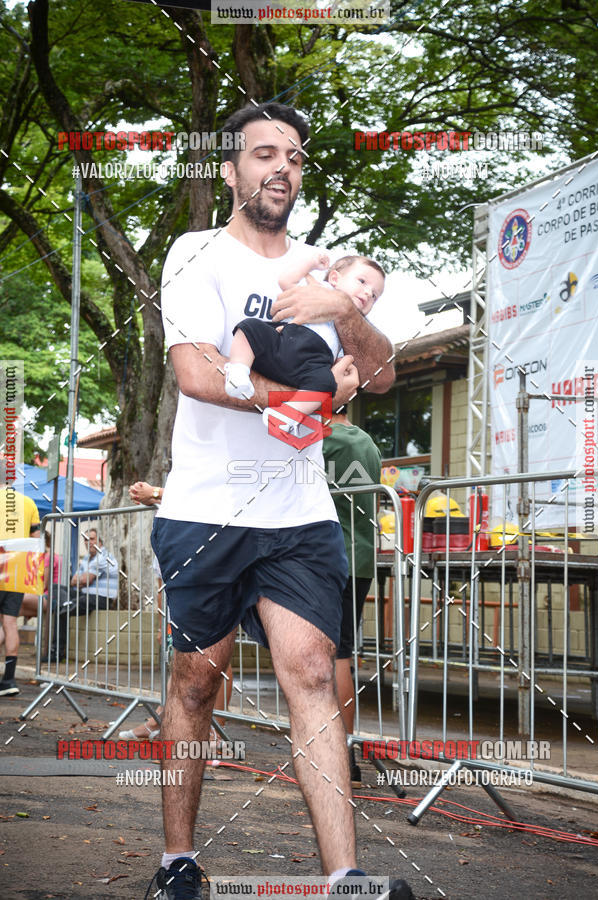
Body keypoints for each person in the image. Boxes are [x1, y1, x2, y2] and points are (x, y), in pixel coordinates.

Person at [148, 101, 400, 900]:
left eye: (292, 155)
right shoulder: (196, 255)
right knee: (197, 679)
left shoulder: (324, 270)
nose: (280, 168)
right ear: (231, 170)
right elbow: (196, 374)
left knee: (315, 674)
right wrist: (292, 404)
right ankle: (178, 862)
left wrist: (348, 311)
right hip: (207, 508)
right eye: (263, 154)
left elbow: (383, 374)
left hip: (299, 514)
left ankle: (345, 877)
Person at [120, 482, 232, 742]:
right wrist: (163, 622)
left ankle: (217, 726)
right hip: (177, 565)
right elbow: (162, 581)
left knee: (219, 652)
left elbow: (213, 495)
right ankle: (162, 719)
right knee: (182, 658)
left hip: (212, 561)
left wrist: (157, 493)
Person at [225, 252, 385, 432]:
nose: (367, 292)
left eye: (374, 296)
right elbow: (287, 281)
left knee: (327, 384)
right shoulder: (319, 289)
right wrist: (311, 262)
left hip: (313, 364)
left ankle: (288, 415)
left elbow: (346, 363)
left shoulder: (353, 326)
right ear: (334, 278)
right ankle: (238, 371)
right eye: (362, 282)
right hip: (284, 342)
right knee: (250, 327)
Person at [322, 408, 382, 785]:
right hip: (360, 556)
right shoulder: (367, 442)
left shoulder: (321, 441)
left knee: (332, 656)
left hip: (329, 556)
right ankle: (342, 754)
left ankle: (339, 757)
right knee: (343, 651)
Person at [44, 527, 118, 662]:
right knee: (56, 588)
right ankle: (67, 603)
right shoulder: (87, 559)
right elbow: (74, 581)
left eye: (92, 539)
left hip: (101, 598)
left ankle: (56, 653)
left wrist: (82, 580)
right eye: (85, 539)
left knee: (63, 610)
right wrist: (82, 580)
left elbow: (85, 580)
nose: (88, 542)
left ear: (100, 542)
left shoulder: (103, 557)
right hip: (85, 595)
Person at [0, 461, 41, 695]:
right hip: (16, 572)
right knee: (9, 622)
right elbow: (35, 539)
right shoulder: (28, 503)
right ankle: (8, 680)